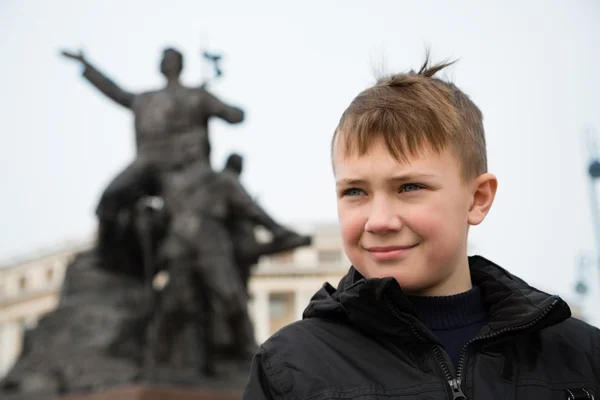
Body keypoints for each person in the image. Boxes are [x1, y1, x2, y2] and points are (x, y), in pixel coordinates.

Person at [242, 56, 600, 399]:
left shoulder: (583, 355)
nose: (379, 221)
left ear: (477, 199)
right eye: (355, 191)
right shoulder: (289, 367)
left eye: (409, 187)